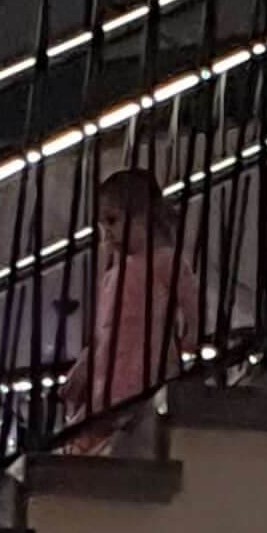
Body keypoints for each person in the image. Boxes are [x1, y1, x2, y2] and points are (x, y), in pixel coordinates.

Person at [59, 168, 195, 456]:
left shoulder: (163, 261)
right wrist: (85, 364)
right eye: (103, 225)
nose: (107, 233)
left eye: (112, 220)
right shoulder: (115, 274)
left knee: (117, 417)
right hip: (112, 367)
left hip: (144, 362)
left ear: (143, 216)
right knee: (94, 424)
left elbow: (189, 300)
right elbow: (103, 330)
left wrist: (192, 332)